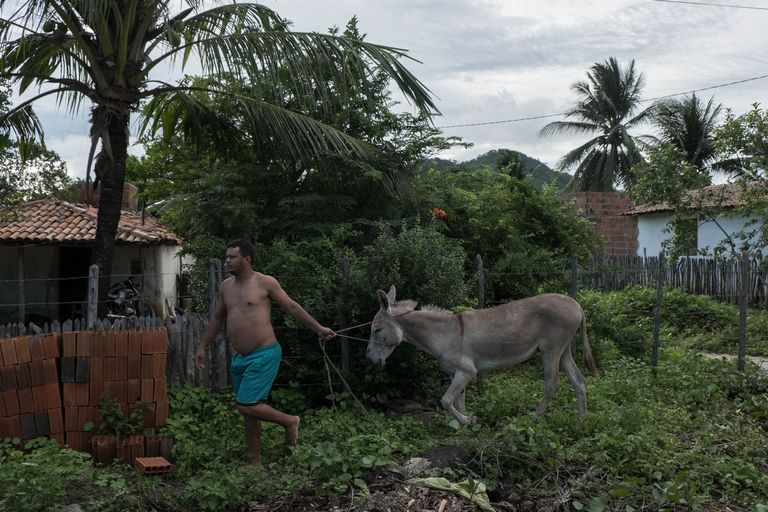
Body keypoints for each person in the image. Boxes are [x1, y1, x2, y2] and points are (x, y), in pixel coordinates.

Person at [194, 239, 335, 465]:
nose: (227, 260)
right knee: (249, 410)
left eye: (232, 257)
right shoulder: (225, 287)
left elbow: (291, 307)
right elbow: (218, 318)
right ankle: (254, 460)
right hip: (240, 357)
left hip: (265, 353)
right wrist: (202, 346)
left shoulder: (265, 283)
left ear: (247, 259)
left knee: (246, 404)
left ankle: (290, 421)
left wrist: (318, 328)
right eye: (227, 257)